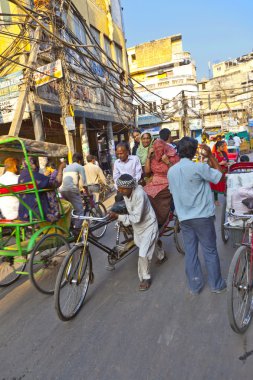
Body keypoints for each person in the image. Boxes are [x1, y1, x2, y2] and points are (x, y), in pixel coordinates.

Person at [168, 137, 226, 295]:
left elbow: (173, 192)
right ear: (194, 151)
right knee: (210, 250)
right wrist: (212, 156)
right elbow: (219, 175)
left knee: (191, 251)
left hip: (184, 218)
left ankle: (195, 286)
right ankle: (216, 284)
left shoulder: (171, 171)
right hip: (202, 217)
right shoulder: (198, 168)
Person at [109, 174, 167, 291]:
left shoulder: (139, 194)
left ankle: (146, 278)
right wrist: (113, 212)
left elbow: (136, 218)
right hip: (138, 228)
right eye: (119, 188)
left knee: (143, 253)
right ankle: (160, 252)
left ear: (131, 187)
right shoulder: (126, 193)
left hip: (148, 225)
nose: (120, 190)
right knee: (146, 244)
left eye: (123, 188)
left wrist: (118, 217)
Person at [144, 128, 179, 226]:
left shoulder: (172, 156)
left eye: (160, 148)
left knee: (154, 197)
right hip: (154, 182)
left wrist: (167, 162)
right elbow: (147, 172)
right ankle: (147, 219)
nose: (158, 151)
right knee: (142, 194)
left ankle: (160, 220)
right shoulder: (153, 156)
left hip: (168, 182)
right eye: (156, 148)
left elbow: (176, 173)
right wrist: (148, 156)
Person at [18, 157, 65, 222]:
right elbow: (56, 183)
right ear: (34, 164)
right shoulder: (35, 176)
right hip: (37, 211)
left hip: (24, 212)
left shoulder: (21, 177)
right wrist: (60, 168)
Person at [60, 152, 88, 229]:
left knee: (70, 210)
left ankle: (71, 227)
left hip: (62, 190)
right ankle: (77, 229)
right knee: (80, 210)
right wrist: (87, 191)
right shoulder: (79, 166)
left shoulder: (66, 168)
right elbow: (84, 181)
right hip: (71, 189)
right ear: (79, 160)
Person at [210, 140, 229, 206]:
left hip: (224, 172)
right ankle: (216, 200)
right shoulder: (213, 154)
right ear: (218, 147)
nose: (223, 147)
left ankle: (227, 199)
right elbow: (211, 165)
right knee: (216, 186)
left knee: (225, 185)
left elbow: (227, 161)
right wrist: (220, 163)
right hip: (217, 173)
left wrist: (227, 164)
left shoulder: (224, 153)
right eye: (222, 146)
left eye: (224, 146)